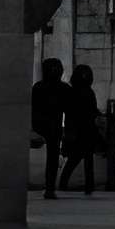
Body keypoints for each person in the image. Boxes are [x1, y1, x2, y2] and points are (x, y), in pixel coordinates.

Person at [30, 57, 70, 202]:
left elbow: (32, 108)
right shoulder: (63, 88)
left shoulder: (38, 87)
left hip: (41, 125)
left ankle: (50, 188)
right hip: (55, 126)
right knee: (52, 158)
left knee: (52, 158)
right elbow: (69, 109)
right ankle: (50, 188)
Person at [60, 62, 100, 197]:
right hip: (87, 129)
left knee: (75, 159)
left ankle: (65, 184)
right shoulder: (88, 92)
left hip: (77, 129)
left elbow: (69, 111)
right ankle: (88, 186)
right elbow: (92, 110)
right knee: (85, 159)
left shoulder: (72, 92)